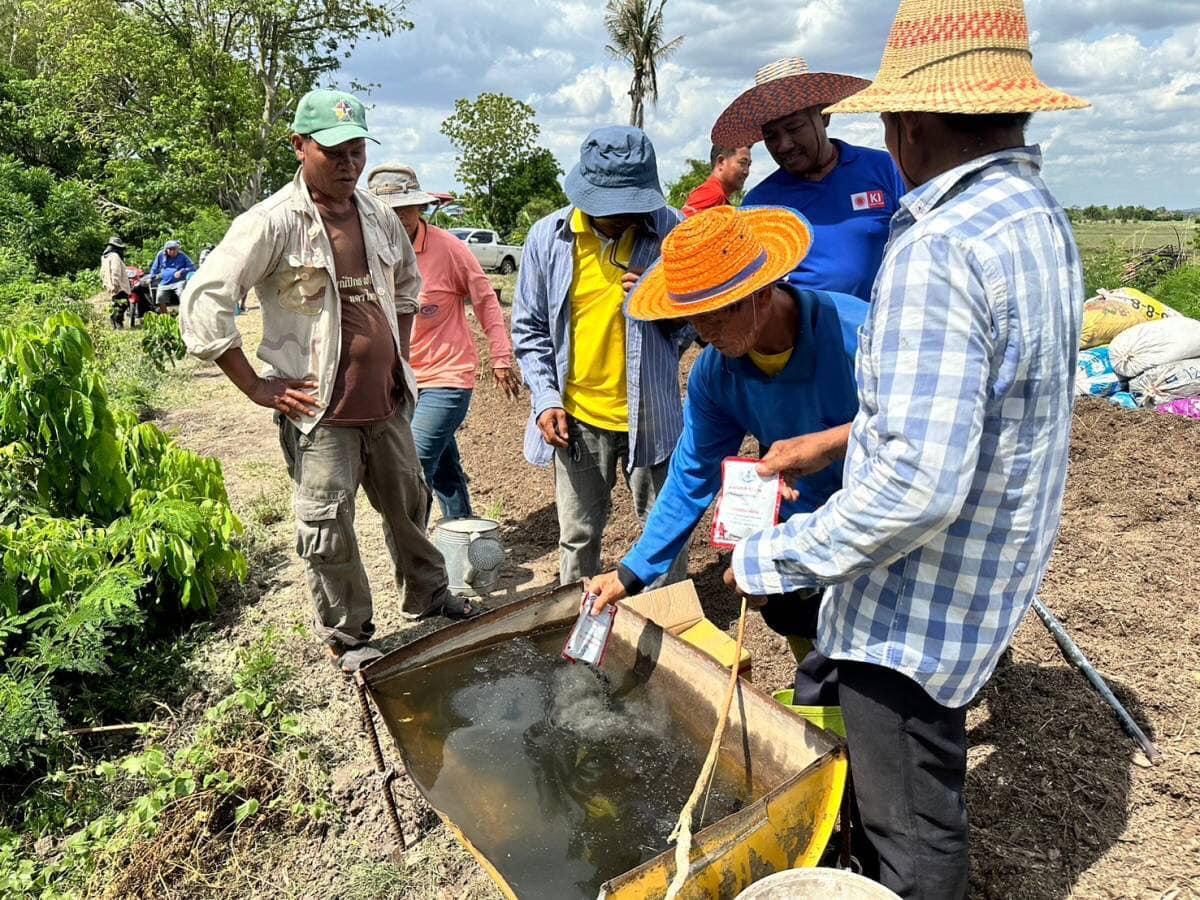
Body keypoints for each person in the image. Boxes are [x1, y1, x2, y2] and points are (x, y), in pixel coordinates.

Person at [728, 2, 1089, 896]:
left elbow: (916, 489)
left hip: (914, 609)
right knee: (821, 695)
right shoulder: (1034, 215)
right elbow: (972, 408)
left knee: (916, 836)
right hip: (984, 569)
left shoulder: (939, 245)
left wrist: (773, 556)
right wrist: (838, 440)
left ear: (908, 126)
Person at [181, 89, 475, 675]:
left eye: (357, 149)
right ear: (300, 146)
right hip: (319, 413)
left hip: (388, 404)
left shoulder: (376, 215)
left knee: (409, 506)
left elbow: (408, 285)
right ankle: (349, 634)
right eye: (335, 151)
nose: (348, 163)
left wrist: (398, 359)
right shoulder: (273, 222)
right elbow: (204, 299)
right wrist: (256, 386)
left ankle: (429, 594)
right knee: (328, 525)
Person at [584, 206, 865, 714]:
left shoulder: (859, 335)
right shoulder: (716, 373)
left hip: (878, 515)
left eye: (718, 312)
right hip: (799, 517)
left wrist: (830, 444)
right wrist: (630, 572)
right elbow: (692, 473)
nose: (705, 331)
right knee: (793, 616)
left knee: (864, 656)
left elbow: (921, 431)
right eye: (693, 315)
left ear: (761, 291)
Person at [511, 125, 691, 586]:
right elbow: (529, 330)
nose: (621, 218)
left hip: (652, 417)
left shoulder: (674, 233)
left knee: (665, 534)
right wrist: (546, 399)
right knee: (577, 535)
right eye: (610, 209)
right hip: (577, 419)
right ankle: (575, 628)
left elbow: (699, 324)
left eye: (631, 208)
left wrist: (665, 307)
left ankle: (669, 628)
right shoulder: (547, 237)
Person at [368, 163, 521, 520]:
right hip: (399, 382)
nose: (397, 219)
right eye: (388, 212)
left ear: (420, 208)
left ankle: (416, 557)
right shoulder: (368, 251)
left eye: (405, 209)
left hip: (446, 377)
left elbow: (485, 300)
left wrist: (500, 356)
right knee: (445, 468)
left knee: (415, 465)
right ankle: (465, 538)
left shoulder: (448, 250)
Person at [713, 57, 907, 301]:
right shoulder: (760, 203)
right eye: (772, 136)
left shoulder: (885, 169)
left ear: (823, 116)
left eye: (794, 128)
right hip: (803, 336)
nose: (783, 145)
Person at [680, 144, 752, 217]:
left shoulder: (717, 195)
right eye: (742, 163)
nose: (746, 172)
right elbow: (683, 226)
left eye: (748, 165)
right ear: (721, 162)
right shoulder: (712, 194)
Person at [149, 240, 196, 309]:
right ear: (166, 250)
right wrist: (152, 276)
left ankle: (184, 313)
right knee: (160, 298)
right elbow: (155, 267)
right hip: (165, 282)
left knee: (182, 295)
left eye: (175, 249)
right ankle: (165, 316)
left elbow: (192, 267)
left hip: (179, 281)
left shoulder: (182, 256)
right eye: (170, 249)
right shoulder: (161, 255)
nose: (173, 251)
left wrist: (181, 271)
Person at [100, 236, 132, 328]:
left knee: (116, 304)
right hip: (118, 285)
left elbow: (102, 272)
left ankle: (115, 323)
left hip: (110, 284)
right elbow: (115, 271)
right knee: (124, 303)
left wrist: (106, 284)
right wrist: (116, 283)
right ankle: (118, 322)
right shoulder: (115, 256)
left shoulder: (104, 257)